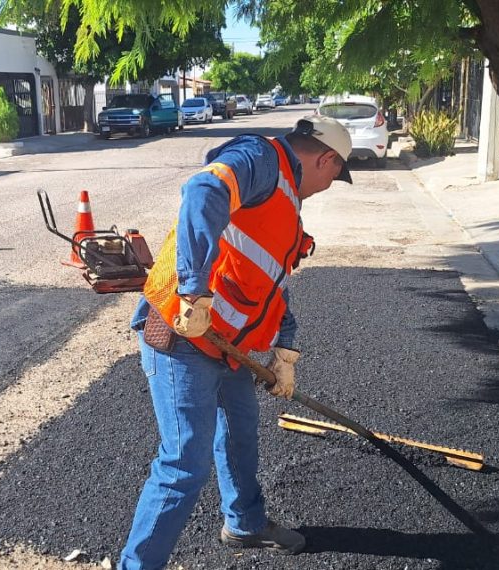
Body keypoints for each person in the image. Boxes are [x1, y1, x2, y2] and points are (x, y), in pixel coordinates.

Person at [118, 116, 353, 569]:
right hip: (182, 334)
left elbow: (271, 283)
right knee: (185, 462)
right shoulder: (261, 159)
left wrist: (285, 350)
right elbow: (203, 192)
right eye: (333, 177)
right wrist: (193, 288)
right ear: (325, 159)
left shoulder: (286, 203)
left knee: (241, 433)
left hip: (229, 350)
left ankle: (244, 523)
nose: (327, 187)